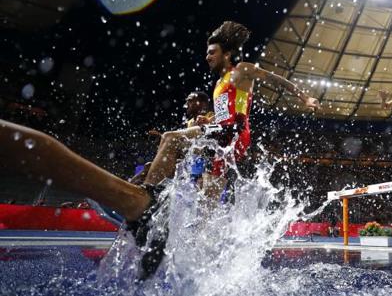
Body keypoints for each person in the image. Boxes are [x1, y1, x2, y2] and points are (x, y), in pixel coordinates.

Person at [0, 20, 319, 279]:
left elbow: (276, 80)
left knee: (171, 139)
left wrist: (303, 97)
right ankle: (198, 257)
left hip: (232, 134)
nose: (206, 57)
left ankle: (147, 203)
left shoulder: (241, 71)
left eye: (211, 52)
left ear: (226, 53)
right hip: (223, 137)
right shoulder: (221, 81)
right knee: (206, 202)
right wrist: (206, 120)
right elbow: (221, 112)